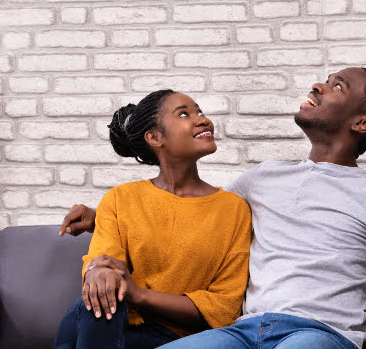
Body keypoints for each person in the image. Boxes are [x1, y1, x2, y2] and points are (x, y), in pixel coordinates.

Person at [60, 67, 366, 349]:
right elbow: (193, 212)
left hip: (318, 333)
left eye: (337, 86)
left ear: (362, 123)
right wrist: (103, 220)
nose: (318, 86)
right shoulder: (263, 178)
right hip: (242, 332)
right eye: (325, 80)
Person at [53, 89, 253, 349]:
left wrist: (139, 295)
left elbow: (223, 307)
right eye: (184, 114)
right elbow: (103, 266)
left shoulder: (234, 210)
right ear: (155, 137)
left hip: (171, 339)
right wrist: (99, 271)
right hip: (101, 321)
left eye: (199, 111)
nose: (202, 119)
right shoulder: (120, 198)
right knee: (106, 289)